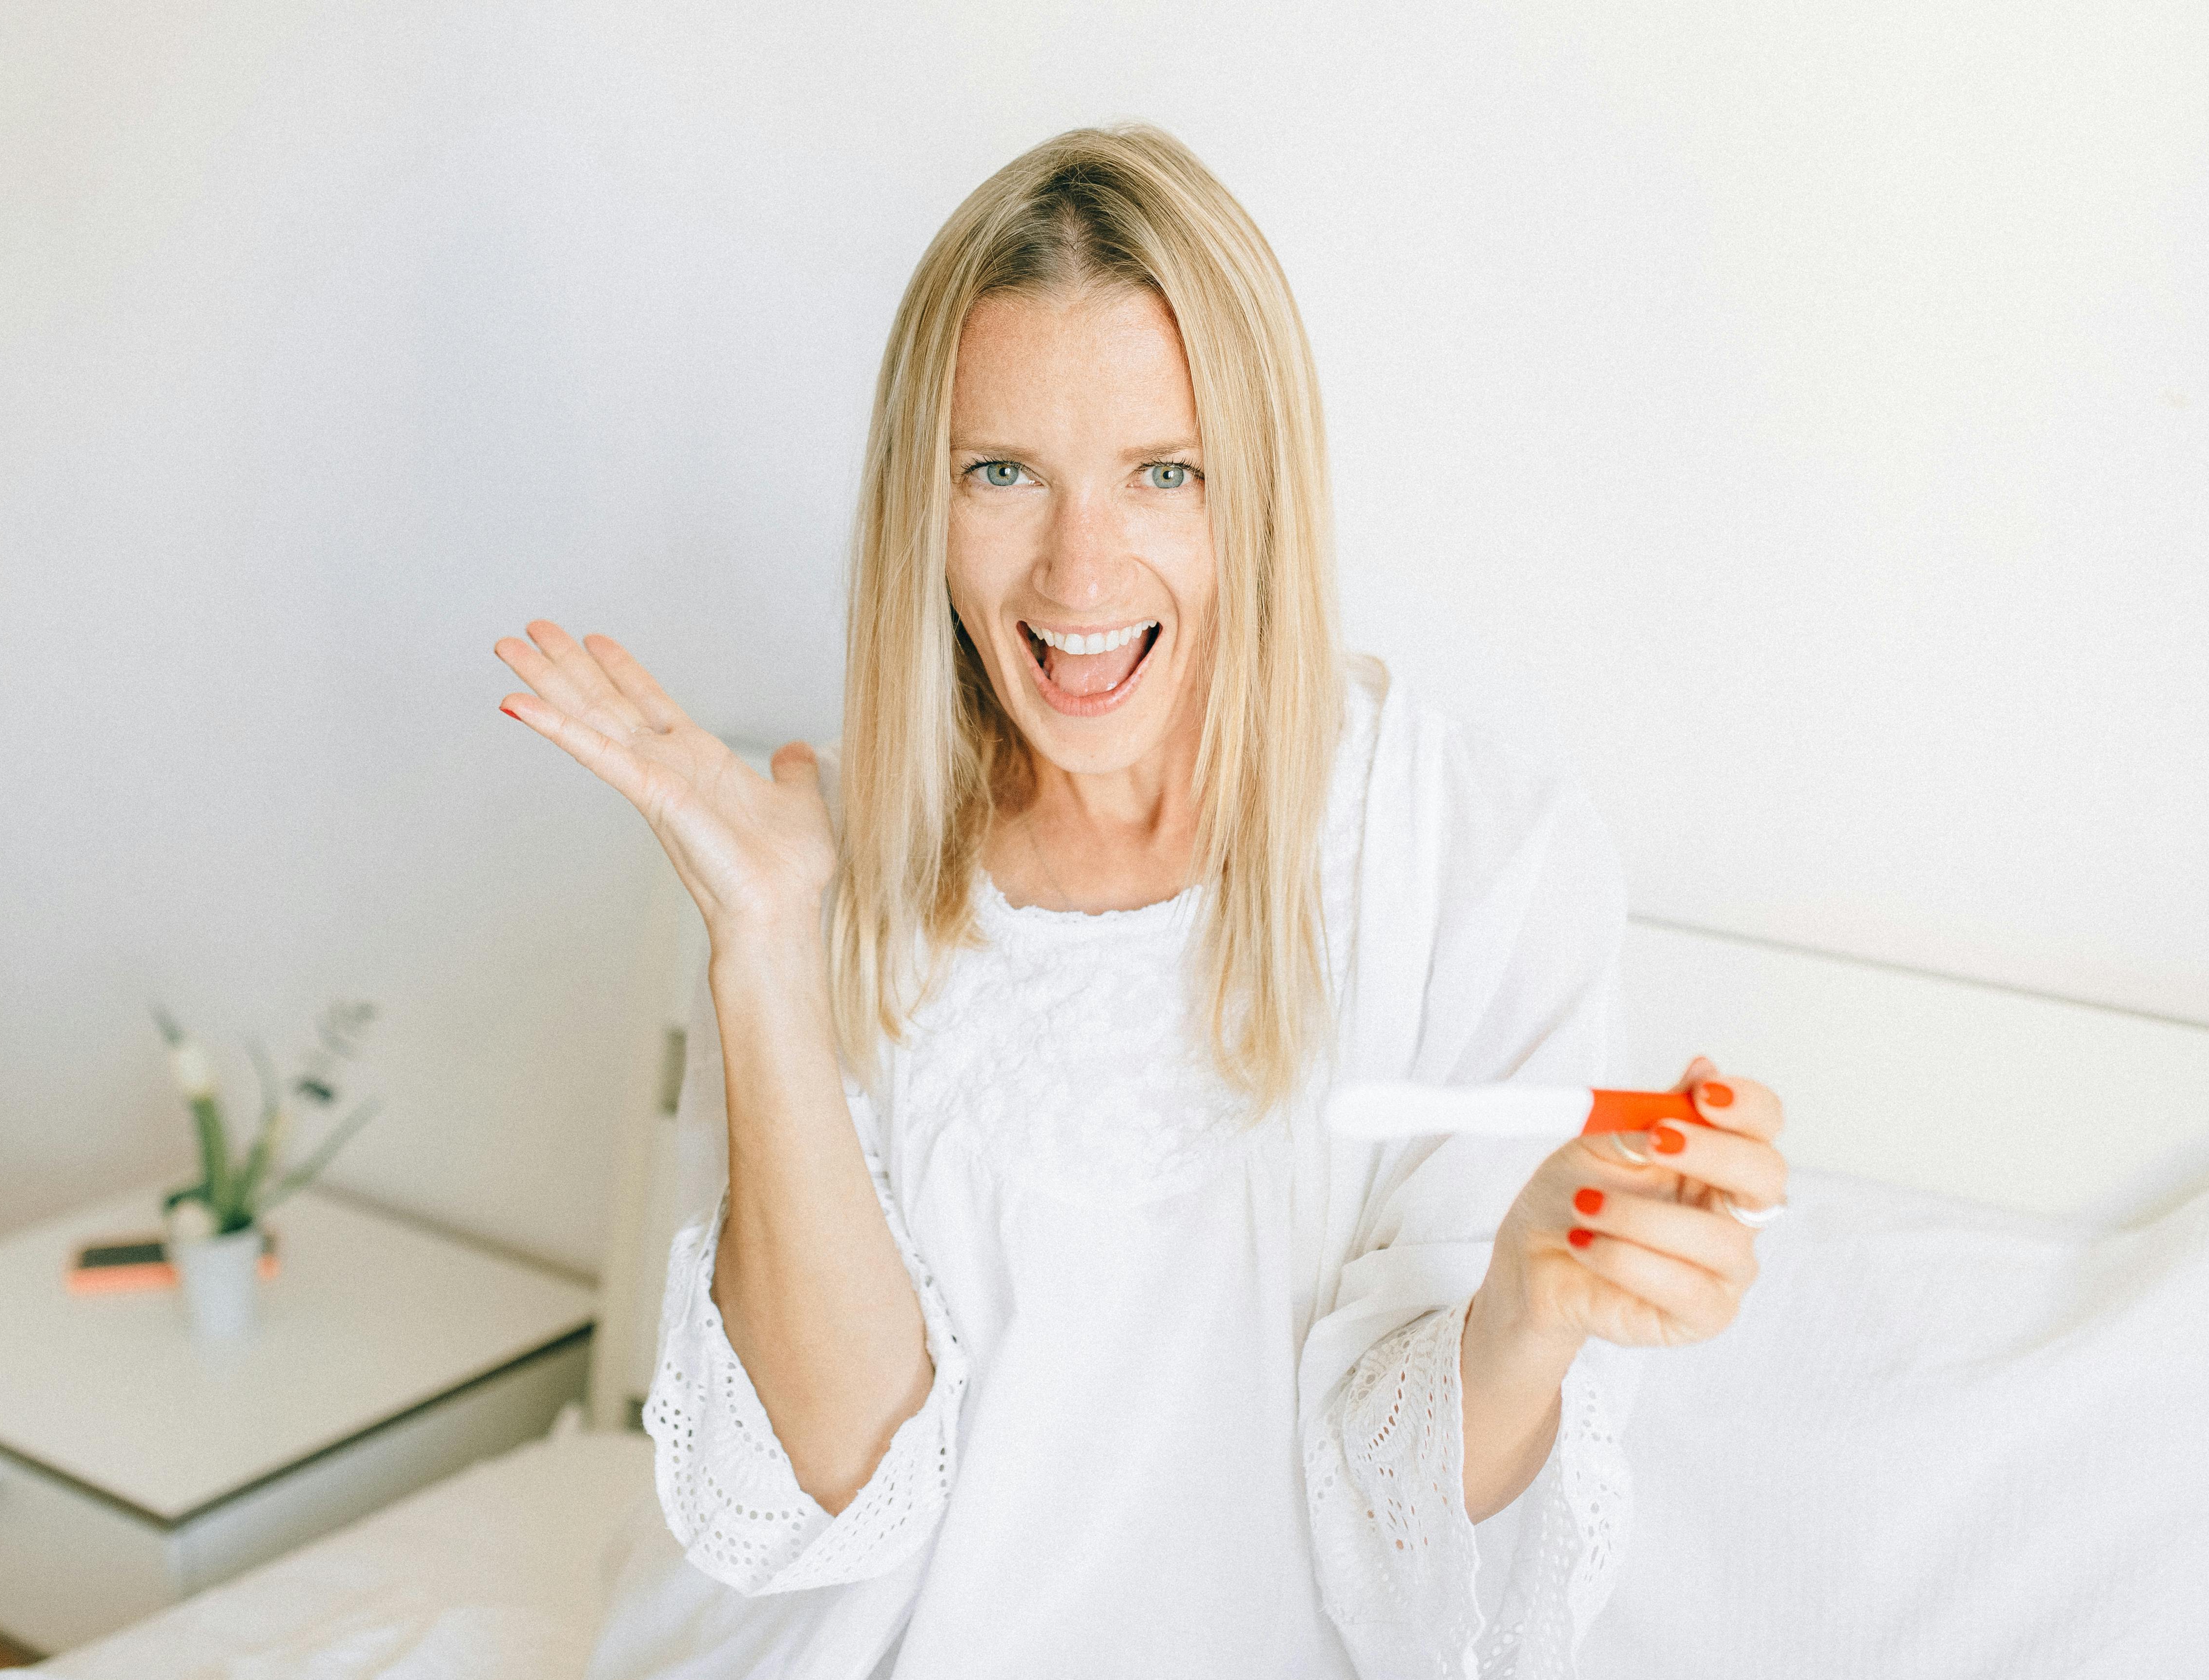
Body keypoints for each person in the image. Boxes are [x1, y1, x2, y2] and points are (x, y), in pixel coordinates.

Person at [496, 124, 1787, 1680]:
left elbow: (1413, 1540)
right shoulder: (810, 856)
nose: (1078, 572)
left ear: (1258, 492)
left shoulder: (1472, 851)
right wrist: (770, 950)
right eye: (1002, 474)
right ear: (928, 499)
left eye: (1161, 472)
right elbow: (832, 1484)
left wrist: (1527, 1303)